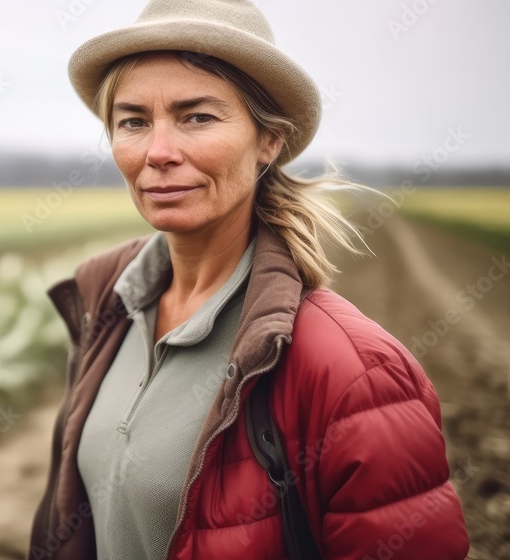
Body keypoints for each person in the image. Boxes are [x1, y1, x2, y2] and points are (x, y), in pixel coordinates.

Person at [27, 1, 470, 559]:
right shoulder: (107, 309)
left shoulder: (359, 375)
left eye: (198, 117)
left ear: (269, 141)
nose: (159, 152)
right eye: (134, 121)